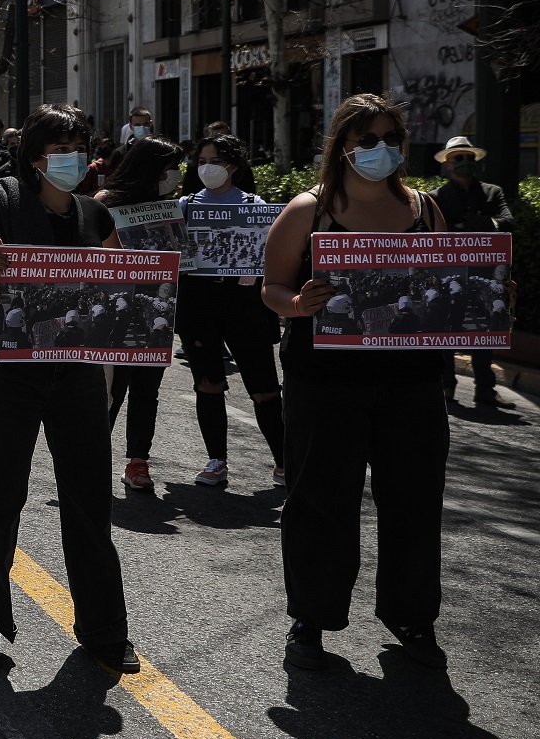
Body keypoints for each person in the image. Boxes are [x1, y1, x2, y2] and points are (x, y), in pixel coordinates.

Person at [262, 93, 475, 671]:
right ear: (344, 147)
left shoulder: (425, 210)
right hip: (324, 383)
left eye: (391, 139)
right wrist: (298, 305)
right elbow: (272, 288)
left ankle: (412, 615)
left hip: (412, 382)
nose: (382, 149)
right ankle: (311, 618)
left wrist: (485, 296)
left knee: (414, 500)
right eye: (368, 140)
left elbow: (444, 286)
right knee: (320, 500)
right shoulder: (307, 211)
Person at [0, 103, 138, 675]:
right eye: (61, 150)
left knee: (89, 501)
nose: (73, 159)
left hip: (78, 373)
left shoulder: (96, 216)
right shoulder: (0, 203)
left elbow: (119, 292)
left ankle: (105, 628)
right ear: (36, 158)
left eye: (79, 149)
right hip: (14, 372)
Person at [171, 133, 286, 490]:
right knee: (208, 383)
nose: (207, 168)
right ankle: (216, 460)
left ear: (233, 166)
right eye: (202, 162)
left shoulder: (255, 204)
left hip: (243, 303)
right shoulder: (185, 206)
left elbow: (270, 250)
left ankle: (285, 461)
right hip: (198, 304)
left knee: (264, 388)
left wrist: (255, 271)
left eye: (216, 162)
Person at [94, 135, 187, 489]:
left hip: (155, 311)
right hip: (115, 308)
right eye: (169, 169)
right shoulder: (105, 203)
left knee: (147, 390)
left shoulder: (170, 206)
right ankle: (90, 458)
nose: (173, 176)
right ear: (150, 169)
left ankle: (138, 461)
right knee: (111, 389)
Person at [430, 135, 514, 410]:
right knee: (446, 327)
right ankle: (446, 385)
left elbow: (507, 221)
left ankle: (485, 389)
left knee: (482, 328)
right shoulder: (436, 198)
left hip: (484, 273)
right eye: (459, 158)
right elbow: (433, 233)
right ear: (447, 164)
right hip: (449, 273)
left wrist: (481, 223)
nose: (465, 162)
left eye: (469, 157)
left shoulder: (492, 192)